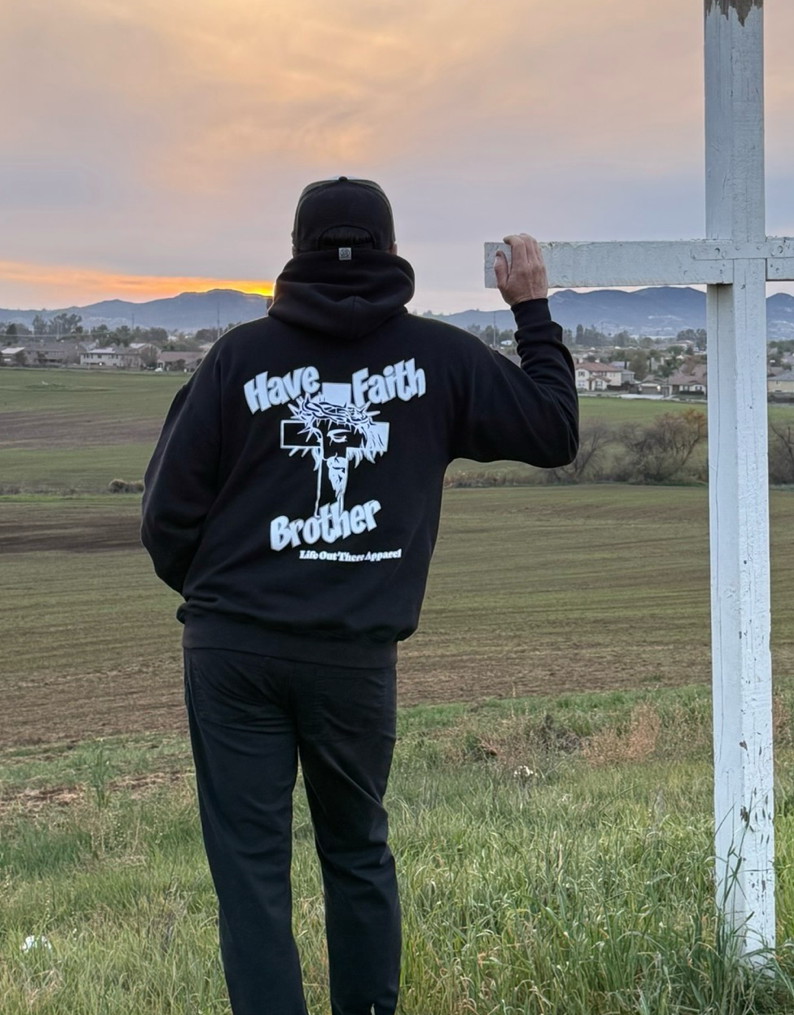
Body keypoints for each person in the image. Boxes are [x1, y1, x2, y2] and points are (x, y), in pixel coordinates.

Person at [141, 176, 578, 1015]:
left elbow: (166, 513)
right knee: (356, 853)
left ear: (297, 253)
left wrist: (218, 594)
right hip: (353, 651)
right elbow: (554, 429)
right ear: (390, 251)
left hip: (233, 650)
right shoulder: (441, 359)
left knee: (251, 871)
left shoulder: (238, 359)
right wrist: (532, 311)